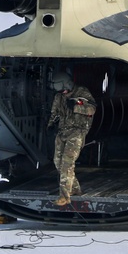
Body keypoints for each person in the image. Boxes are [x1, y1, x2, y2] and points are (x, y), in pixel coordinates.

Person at [48, 72, 96, 206]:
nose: (63, 92)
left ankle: (64, 196)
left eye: (63, 89)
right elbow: (54, 113)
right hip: (62, 131)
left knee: (67, 164)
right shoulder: (59, 97)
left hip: (77, 132)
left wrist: (76, 107)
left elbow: (91, 110)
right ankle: (75, 190)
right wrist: (50, 125)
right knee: (58, 162)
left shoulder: (82, 92)